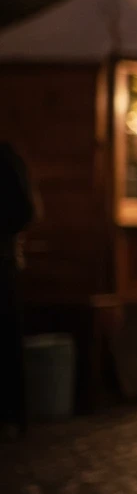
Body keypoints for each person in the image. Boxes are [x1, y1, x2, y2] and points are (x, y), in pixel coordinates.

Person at [1, 142, 34, 438]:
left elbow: (24, 211)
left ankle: (12, 417)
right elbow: (27, 211)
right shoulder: (9, 156)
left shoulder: (6, 157)